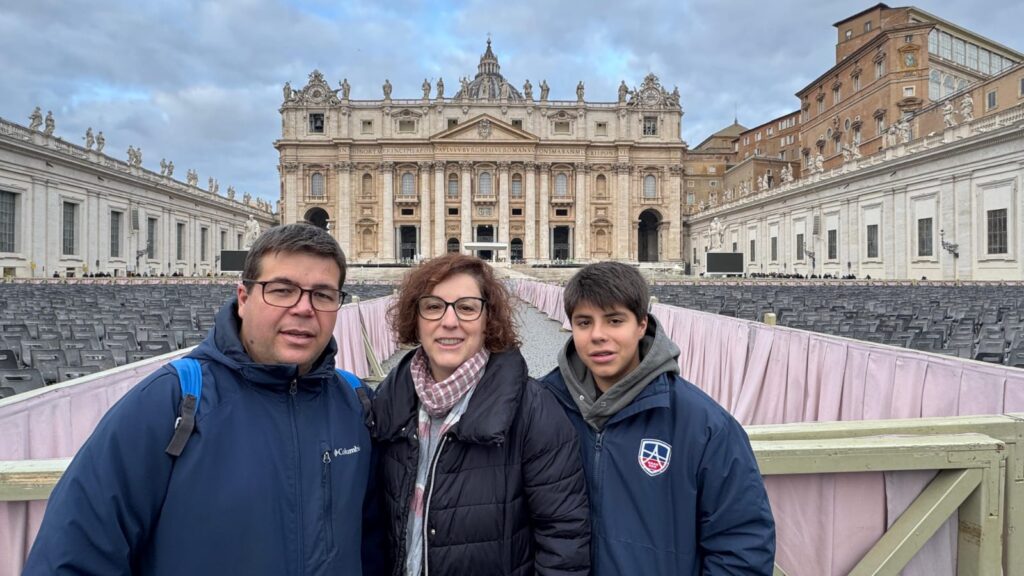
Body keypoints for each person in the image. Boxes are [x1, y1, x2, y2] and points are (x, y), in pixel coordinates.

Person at [24, 223, 384, 576]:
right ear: (243, 298)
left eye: (323, 295)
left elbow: (376, 549)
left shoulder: (357, 405)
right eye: (282, 290)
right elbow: (71, 558)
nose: (304, 308)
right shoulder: (168, 403)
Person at [541, 262, 775, 575]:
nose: (598, 335)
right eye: (584, 322)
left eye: (614, 320)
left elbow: (742, 544)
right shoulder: (541, 407)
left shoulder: (705, 425)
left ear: (642, 324)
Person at [371, 253, 589, 575]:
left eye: (467, 308)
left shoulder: (534, 409)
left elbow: (564, 539)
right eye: (433, 306)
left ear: (489, 319)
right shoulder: (386, 402)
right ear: (415, 318)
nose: (449, 321)